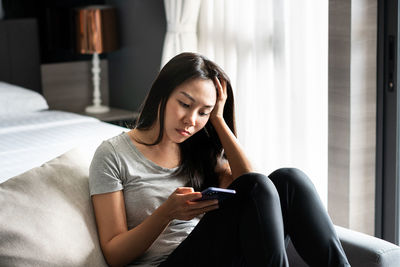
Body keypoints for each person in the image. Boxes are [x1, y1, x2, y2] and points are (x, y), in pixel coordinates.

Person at [89, 52, 350, 267]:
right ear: (162, 94)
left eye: (203, 112)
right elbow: (114, 254)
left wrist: (218, 120)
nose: (191, 121)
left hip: (215, 258)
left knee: (289, 180)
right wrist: (167, 213)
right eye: (185, 104)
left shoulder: (197, 150)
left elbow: (253, 185)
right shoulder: (112, 154)